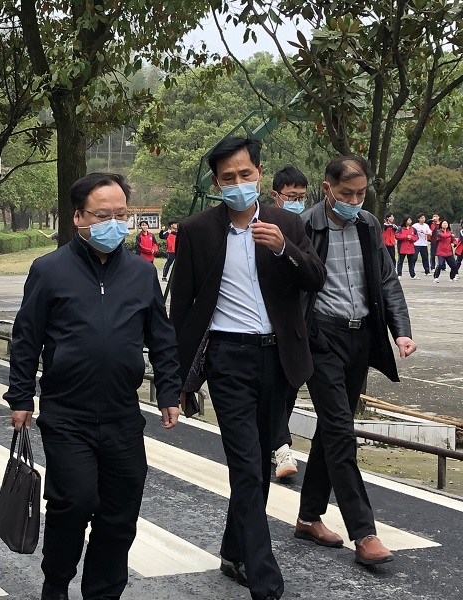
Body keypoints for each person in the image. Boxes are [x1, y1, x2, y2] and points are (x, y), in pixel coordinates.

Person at [4, 172, 180, 600]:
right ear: (79, 217)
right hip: (68, 416)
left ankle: (103, 592)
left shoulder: (141, 273)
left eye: (121, 215)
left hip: (123, 417)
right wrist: (20, 396)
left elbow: (161, 336)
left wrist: (169, 391)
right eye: (103, 215)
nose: (113, 224)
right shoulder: (49, 270)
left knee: (120, 514)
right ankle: (57, 582)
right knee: (75, 502)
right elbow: (26, 338)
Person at [170, 138, 326, 600]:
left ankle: (233, 550)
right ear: (216, 183)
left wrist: (284, 249)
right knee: (244, 464)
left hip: (278, 357)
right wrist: (175, 379)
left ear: (259, 173)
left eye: (245, 174)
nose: (238, 183)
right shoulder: (197, 230)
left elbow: (316, 278)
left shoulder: (286, 223)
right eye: (228, 177)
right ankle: (264, 579)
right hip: (227, 358)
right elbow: (182, 309)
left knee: (259, 463)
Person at [298, 155, 416, 567]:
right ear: (327, 188)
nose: (354, 201)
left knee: (333, 428)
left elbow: (386, 280)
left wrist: (401, 330)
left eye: (360, 193)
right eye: (346, 193)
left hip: (360, 337)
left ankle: (308, 517)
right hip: (321, 337)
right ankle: (364, 533)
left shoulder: (369, 225)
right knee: (340, 431)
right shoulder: (305, 227)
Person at [269, 165, 310, 480]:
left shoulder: (305, 227)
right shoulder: (263, 226)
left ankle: (275, 442)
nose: (297, 202)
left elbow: (313, 271)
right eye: (291, 196)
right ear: (276, 195)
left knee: (290, 388)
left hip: (300, 323)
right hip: (270, 326)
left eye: (301, 197)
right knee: (275, 389)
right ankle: (281, 447)